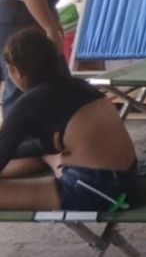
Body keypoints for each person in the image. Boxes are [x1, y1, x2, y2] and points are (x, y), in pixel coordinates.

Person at [0, 27, 137, 210]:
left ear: (16, 70)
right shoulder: (81, 87)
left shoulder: (28, 104)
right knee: (45, 153)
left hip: (95, 189)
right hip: (128, 178)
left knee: (40, 155)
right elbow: (38, 147)